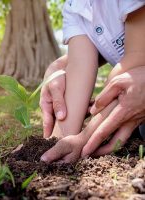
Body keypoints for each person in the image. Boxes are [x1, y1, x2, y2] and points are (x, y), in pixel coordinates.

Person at [39, 0, 145, 163]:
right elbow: (79, 66)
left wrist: (86, 137)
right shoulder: (75, 7)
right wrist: (58, 140)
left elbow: (136, 60)